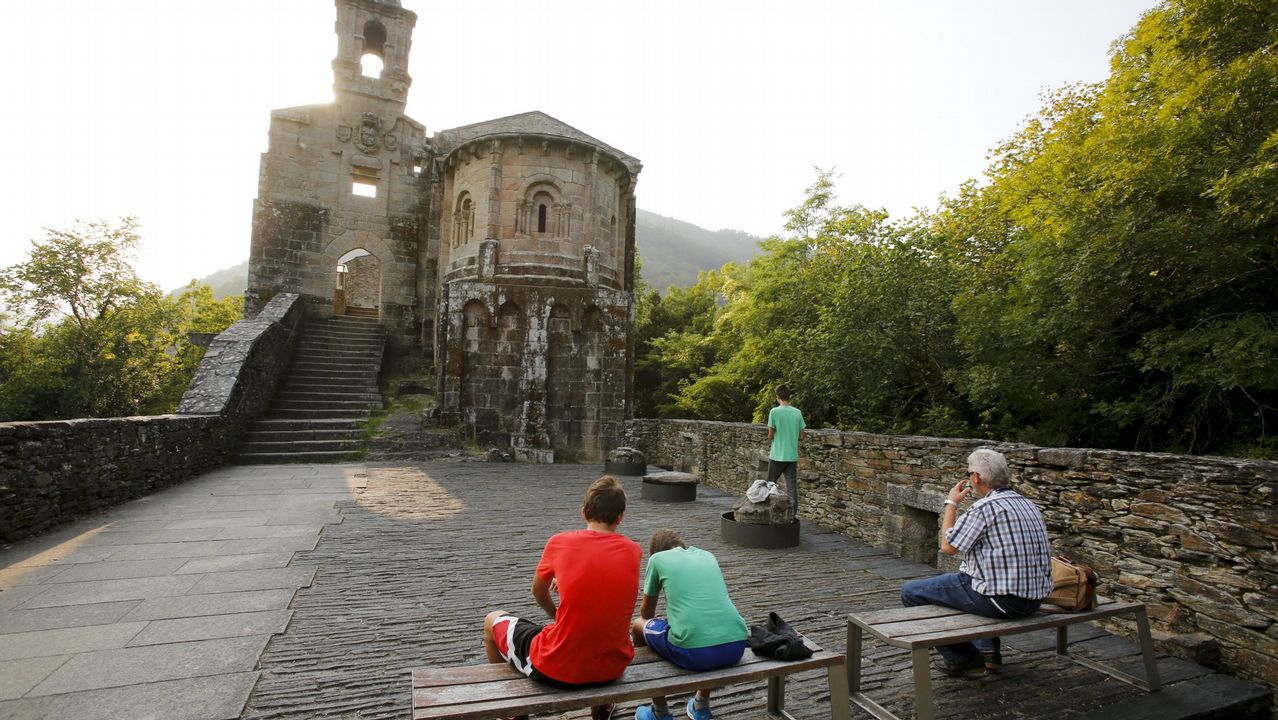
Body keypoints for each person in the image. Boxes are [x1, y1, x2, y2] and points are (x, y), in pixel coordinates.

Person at [483, 475, 641, 719]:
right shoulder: (634, 550)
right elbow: (601, 580)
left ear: (584, 512)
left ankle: (511, 709)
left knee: (492, 621)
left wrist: (555, 615)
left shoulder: (559, 542)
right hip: (611, 668)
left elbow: (538, 591)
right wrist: (567, 583)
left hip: (557, 667)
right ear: (620, 518)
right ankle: (602, 704)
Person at [899, 448, 1053, 675]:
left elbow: (948, 547)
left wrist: (951, 503)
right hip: (1034, 599)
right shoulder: (1027, 504)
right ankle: (988, 649)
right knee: (965, 583)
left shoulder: (985, 507)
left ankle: (964, 658)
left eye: (968, 472)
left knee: (912, 592)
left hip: (1003, 603)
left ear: (976, 478)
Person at [631, 529, 748, 720]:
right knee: (707, 627)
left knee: (637, 626)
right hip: (736, 647)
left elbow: (646, 614)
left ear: (656, 552)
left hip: (695, 654)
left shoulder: (657, 559)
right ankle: (701, 706)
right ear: (682, 546)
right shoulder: (708, 555)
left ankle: (659, 711)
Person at [766, 383, 805, 520]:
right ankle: (792, 515)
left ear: (777, 397)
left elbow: (770, 434)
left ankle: (767, 512)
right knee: (791, 486)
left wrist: (773, 437)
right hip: (792, 456)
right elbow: (801, 435)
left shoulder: (774, 412)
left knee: (770, 484)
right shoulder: (797, 412)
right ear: (789, 396)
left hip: (777, 454)